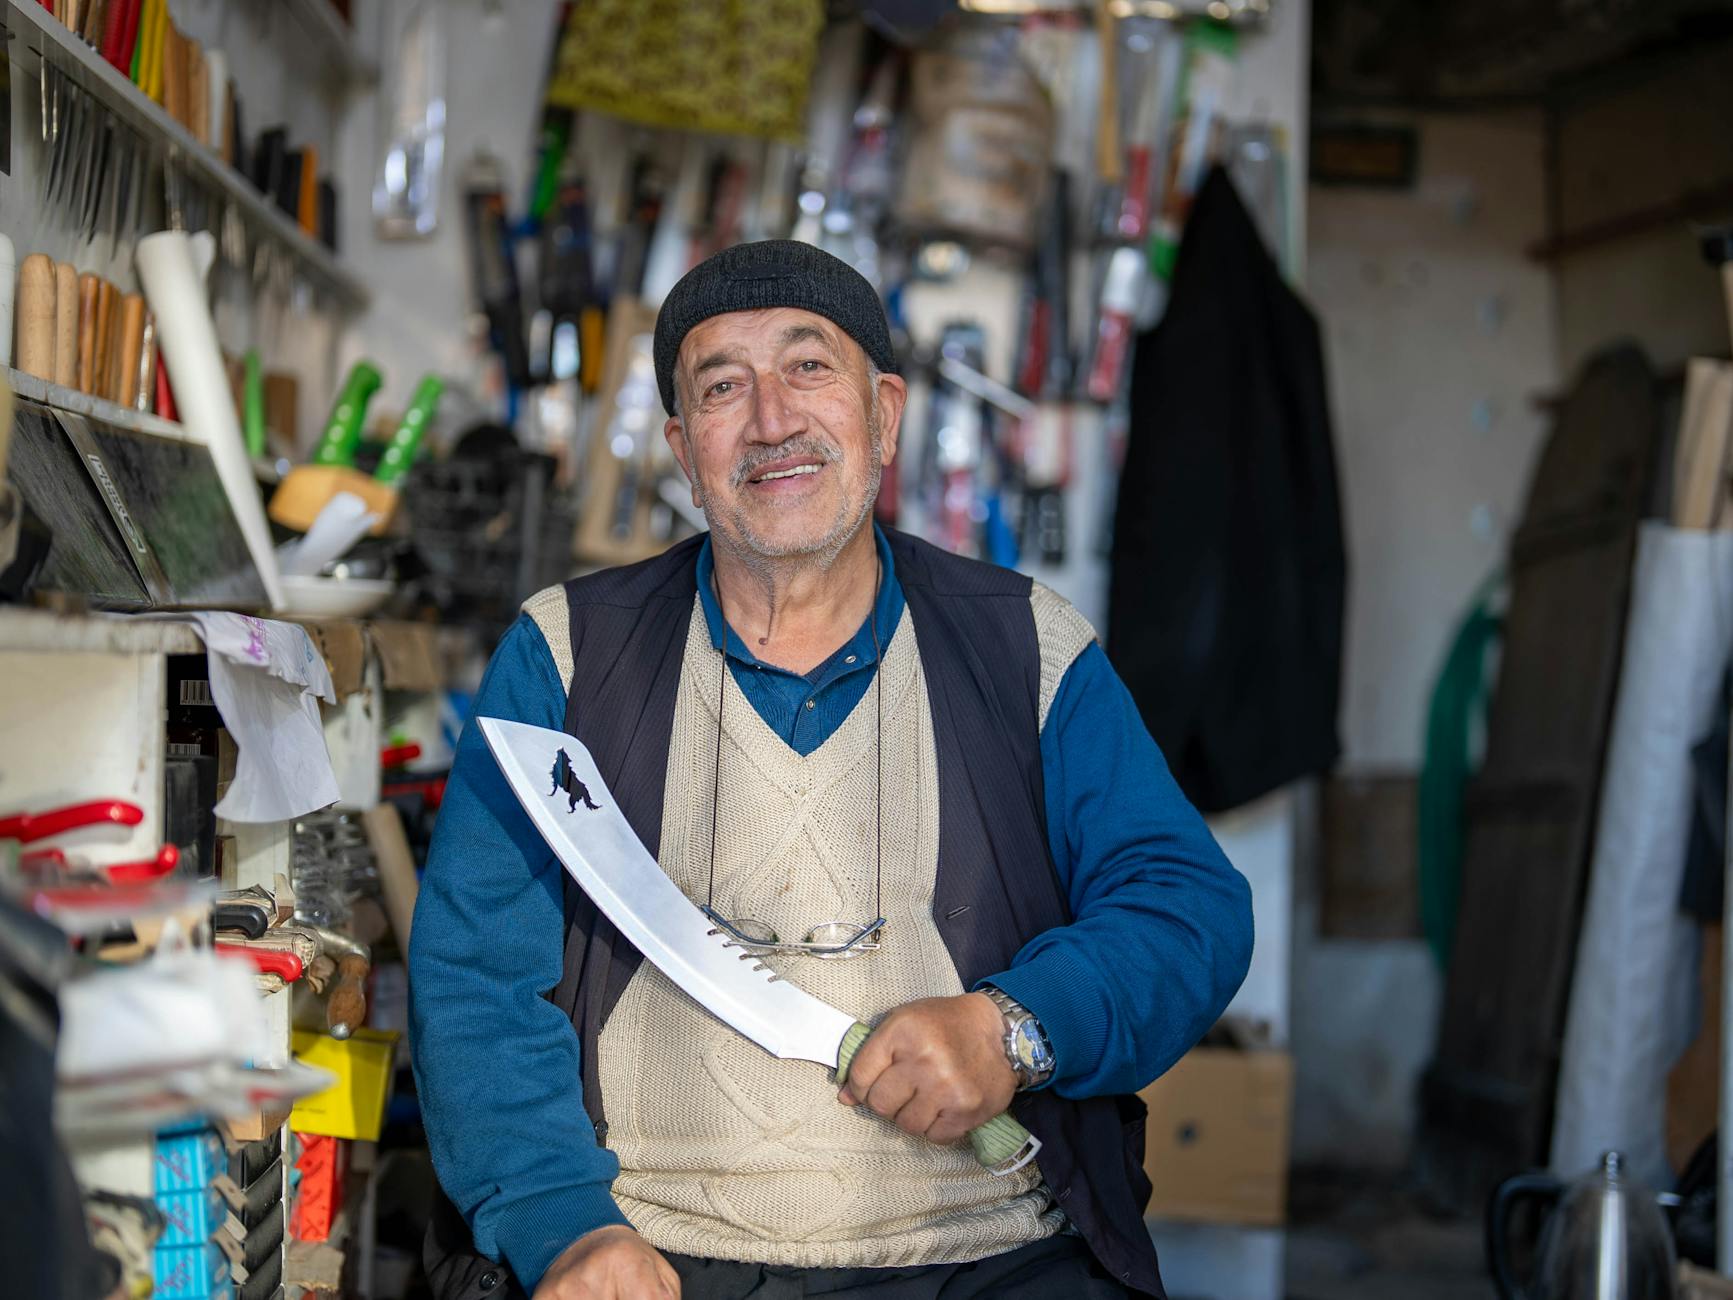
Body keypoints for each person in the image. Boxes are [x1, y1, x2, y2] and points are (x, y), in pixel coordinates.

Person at [411, 240, 1253, 1300]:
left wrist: (1014, 1030)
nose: (771, 420)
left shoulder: (1023, 646)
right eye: (722, 387)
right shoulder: (565, 654)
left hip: (987, 1256)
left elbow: (1186, 909)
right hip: (654, 1253)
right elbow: (475, 978)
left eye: (808, 368)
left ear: (884, 415)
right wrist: (564, 1226)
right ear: (683, 450)